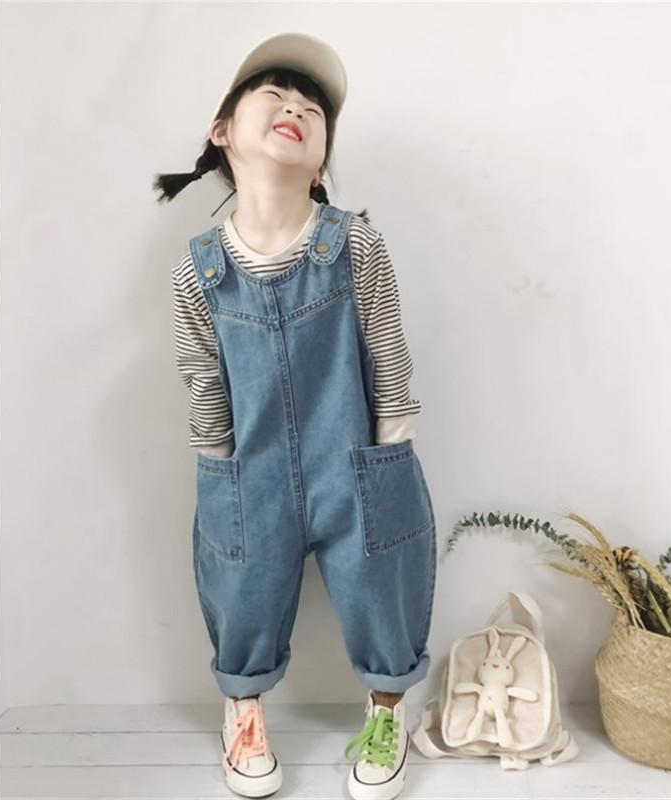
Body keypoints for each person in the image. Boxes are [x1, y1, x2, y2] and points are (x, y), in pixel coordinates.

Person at [153, 32, 436, 800]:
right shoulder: (198, 271)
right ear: (222, 130)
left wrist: (390, 462)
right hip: (250, 474)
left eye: (314, 108)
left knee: (384, 583)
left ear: (320, 161)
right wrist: (221, 473)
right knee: (241, 587)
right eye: (274, 94)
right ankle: (242, 711)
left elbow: (390, 360)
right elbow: (203, 383)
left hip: (356, 465)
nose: (297, 108)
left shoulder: (356, 247)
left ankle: (387, 712)